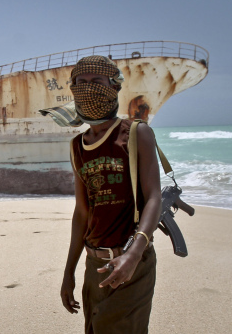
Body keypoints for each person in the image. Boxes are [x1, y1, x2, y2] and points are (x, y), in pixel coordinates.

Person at [59, 55, 162, 334]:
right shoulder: (77, 146)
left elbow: (154, 196)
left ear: (114, 86)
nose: (87, 88)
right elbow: (82, 212)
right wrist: (69, 272)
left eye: (96, 81)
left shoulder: (136, 133)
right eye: (80, 83)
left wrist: (134, 254)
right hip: (94, 264)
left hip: (132, 261)